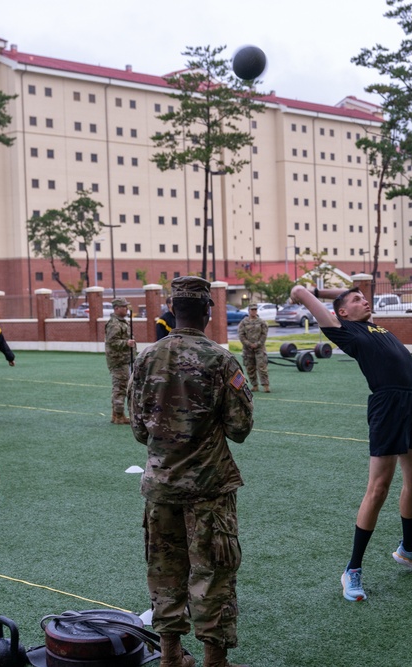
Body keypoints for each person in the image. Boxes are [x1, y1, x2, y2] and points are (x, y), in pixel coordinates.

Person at [129, 276, 254, 667]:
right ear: (208, 312)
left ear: (172, 309)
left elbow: (137, 428)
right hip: (209, 491)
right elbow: (240, 428)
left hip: (161, 488)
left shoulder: (147, 358)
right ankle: (214, 661)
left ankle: (170, 657)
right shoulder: (221, 360)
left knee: (165, 574)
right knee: (213, 576)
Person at [290, 284, 412, 603]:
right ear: (342, 312)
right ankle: (353, 569)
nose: (365, 300)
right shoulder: (345, 332)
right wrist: (303, 292)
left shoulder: (374, 326)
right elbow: (304, 294)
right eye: (356, 300)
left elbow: (346, 294)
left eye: (363, 298)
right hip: (387, 405)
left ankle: (410, 549)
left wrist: (337, 290)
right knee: (379, 487)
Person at [104, 297, 135, 425]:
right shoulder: (114, 323)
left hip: (123, 359)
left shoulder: (122, 322)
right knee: (121, 387)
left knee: (121, 386)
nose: (126, 309)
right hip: (118, 360)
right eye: (124, 307)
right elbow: (112, 342)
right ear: (117, 309)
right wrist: (126, 343)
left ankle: (117, 415)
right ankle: (119, 416)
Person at [237, 303, 270, 392]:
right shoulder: (244, 322)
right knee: (250, 367)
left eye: (255, 310)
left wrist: (258, 343)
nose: (254, 311)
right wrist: (248, 344)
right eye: (252, 310)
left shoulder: (261, 322)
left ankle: (266, 385)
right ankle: (254, 385)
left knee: (262, 367)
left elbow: (264, 334)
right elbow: (241, 335)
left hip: (259, 348)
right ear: (249, 311)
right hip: (248, 349)